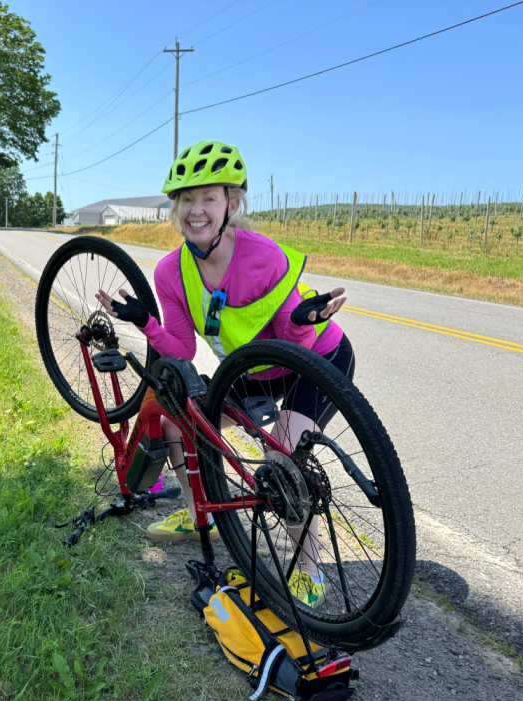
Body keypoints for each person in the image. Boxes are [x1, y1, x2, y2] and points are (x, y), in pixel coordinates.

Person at [96, 140, 353, 606]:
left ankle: (311, 568)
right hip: (255, 365)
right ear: (175, 208)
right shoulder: (171, 271)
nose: (197, 211)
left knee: (281, 464)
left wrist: (302, 321)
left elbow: (291, 346)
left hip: (314, 354)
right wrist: (144, 322)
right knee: (182, 423)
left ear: (231, 204)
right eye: (187, 200)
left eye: (209, 198)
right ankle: (200, 511)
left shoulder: (263, 257)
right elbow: (182, 347)